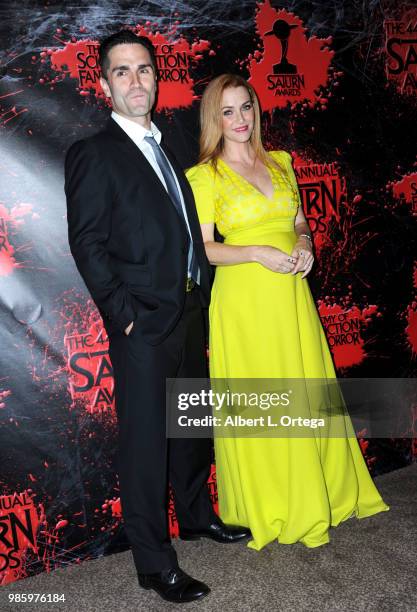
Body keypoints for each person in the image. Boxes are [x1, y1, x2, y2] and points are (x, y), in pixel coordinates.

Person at [65, 35, 249, 604]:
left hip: (190, 309)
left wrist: (199, 294)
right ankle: (153, 562)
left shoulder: (165, 146)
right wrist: (124, 318)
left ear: (155, 78)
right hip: (143, 323)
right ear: (104, 85)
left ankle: (196, 516)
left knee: (190, 429)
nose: (136, 81)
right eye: (122, 73)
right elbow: (88, 246)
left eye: (144, 70)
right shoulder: (95, 153)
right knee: (147, 444)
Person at [186, 74, 389, 551]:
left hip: (292, 298)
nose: (239, 120)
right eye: (228, 111)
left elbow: (298, 221)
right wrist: (256, 252)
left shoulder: (280, 162)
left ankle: (325, 492)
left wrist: (304, 244)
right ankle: (278, 500)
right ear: (214, 119)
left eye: (246, 108)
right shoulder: (204, 176)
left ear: (256, 111)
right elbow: (205, 250)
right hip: (245, 304)